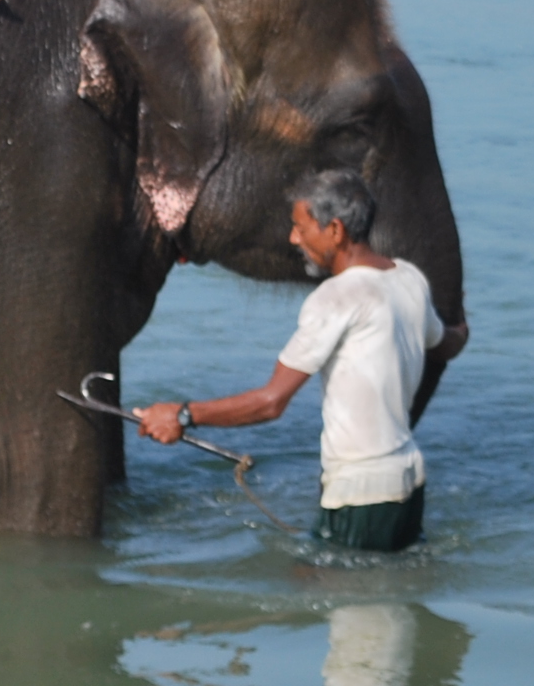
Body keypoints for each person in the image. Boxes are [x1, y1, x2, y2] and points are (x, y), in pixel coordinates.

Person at [136, 170, 446, 555]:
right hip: (409, 479)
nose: (293, 239)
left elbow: (272, 402)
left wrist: (181, 416)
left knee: (337, 598)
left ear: (335, 230)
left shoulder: (336, 297)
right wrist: (462, 327)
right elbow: (443, 340)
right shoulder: (408, 278)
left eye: (301, 227)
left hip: (361, 491)